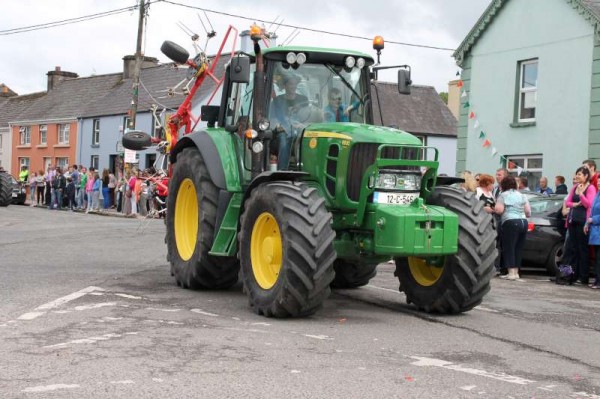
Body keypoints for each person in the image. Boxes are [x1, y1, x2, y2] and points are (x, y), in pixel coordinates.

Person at [494, 176, 531, 281]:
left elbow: (499, 210)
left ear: (504, 185)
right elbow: (528, 212)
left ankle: (510, 273)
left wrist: (494, 208)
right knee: (518, 248)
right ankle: (516, 273)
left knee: (509, 247)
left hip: (510, 222)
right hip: (523, 222)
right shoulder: (522, 195)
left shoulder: (503, 195)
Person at [564, 166, 597, 285]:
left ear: (586, 176)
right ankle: (571, 275)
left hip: (583, 222)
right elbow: (567, 202)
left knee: (583, 250)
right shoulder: (574, 187)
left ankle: (584, 277)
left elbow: (589, 204)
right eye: (577, 174)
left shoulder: (591, 188)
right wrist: (575, 204)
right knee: (573, 249)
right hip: (572, 221)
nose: (577, 177)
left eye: (580, 175)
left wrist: (582, 195)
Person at [270, 73, 309, 170]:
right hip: (284, 130)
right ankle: (282, 171)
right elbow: (273, 120)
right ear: (285, 85)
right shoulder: (277, 101)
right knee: (283, 141)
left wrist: (301, 125)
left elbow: (308, 116)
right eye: (291, 84)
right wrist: (279, 126)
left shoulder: (303, 100)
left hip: (300, 129)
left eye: (295, 84)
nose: (293, 86)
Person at [584, 176, 600, 288]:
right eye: (598, 183)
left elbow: (593, 214)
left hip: (597, 229)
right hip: (594, 230)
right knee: (596, 258)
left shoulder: (593, 192)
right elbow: (591, 211)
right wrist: (587, 223)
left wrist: (593, 220)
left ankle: (598, 281)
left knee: (598, 258)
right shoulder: (597, 195)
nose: (598, 184)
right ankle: (596, 279)